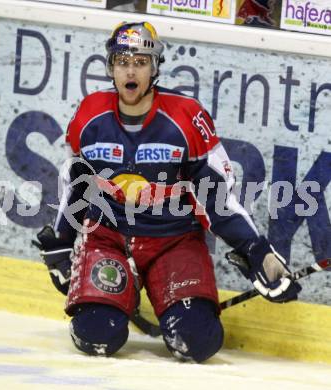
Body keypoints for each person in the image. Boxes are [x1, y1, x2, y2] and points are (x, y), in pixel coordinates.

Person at [33, 21, 301, 363]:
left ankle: (145, 293)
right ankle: (116, 293)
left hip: (173, 241)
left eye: (141, 62)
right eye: (122, 61)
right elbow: (77, 180)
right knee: (96, 335)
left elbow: (217, 199)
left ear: (155, 67)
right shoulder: (90, 114)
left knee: (198, 342)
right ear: (111, 67)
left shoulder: (186, 117)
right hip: (108, 238)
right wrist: (61, 241)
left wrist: (257, 252)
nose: (131, 71)